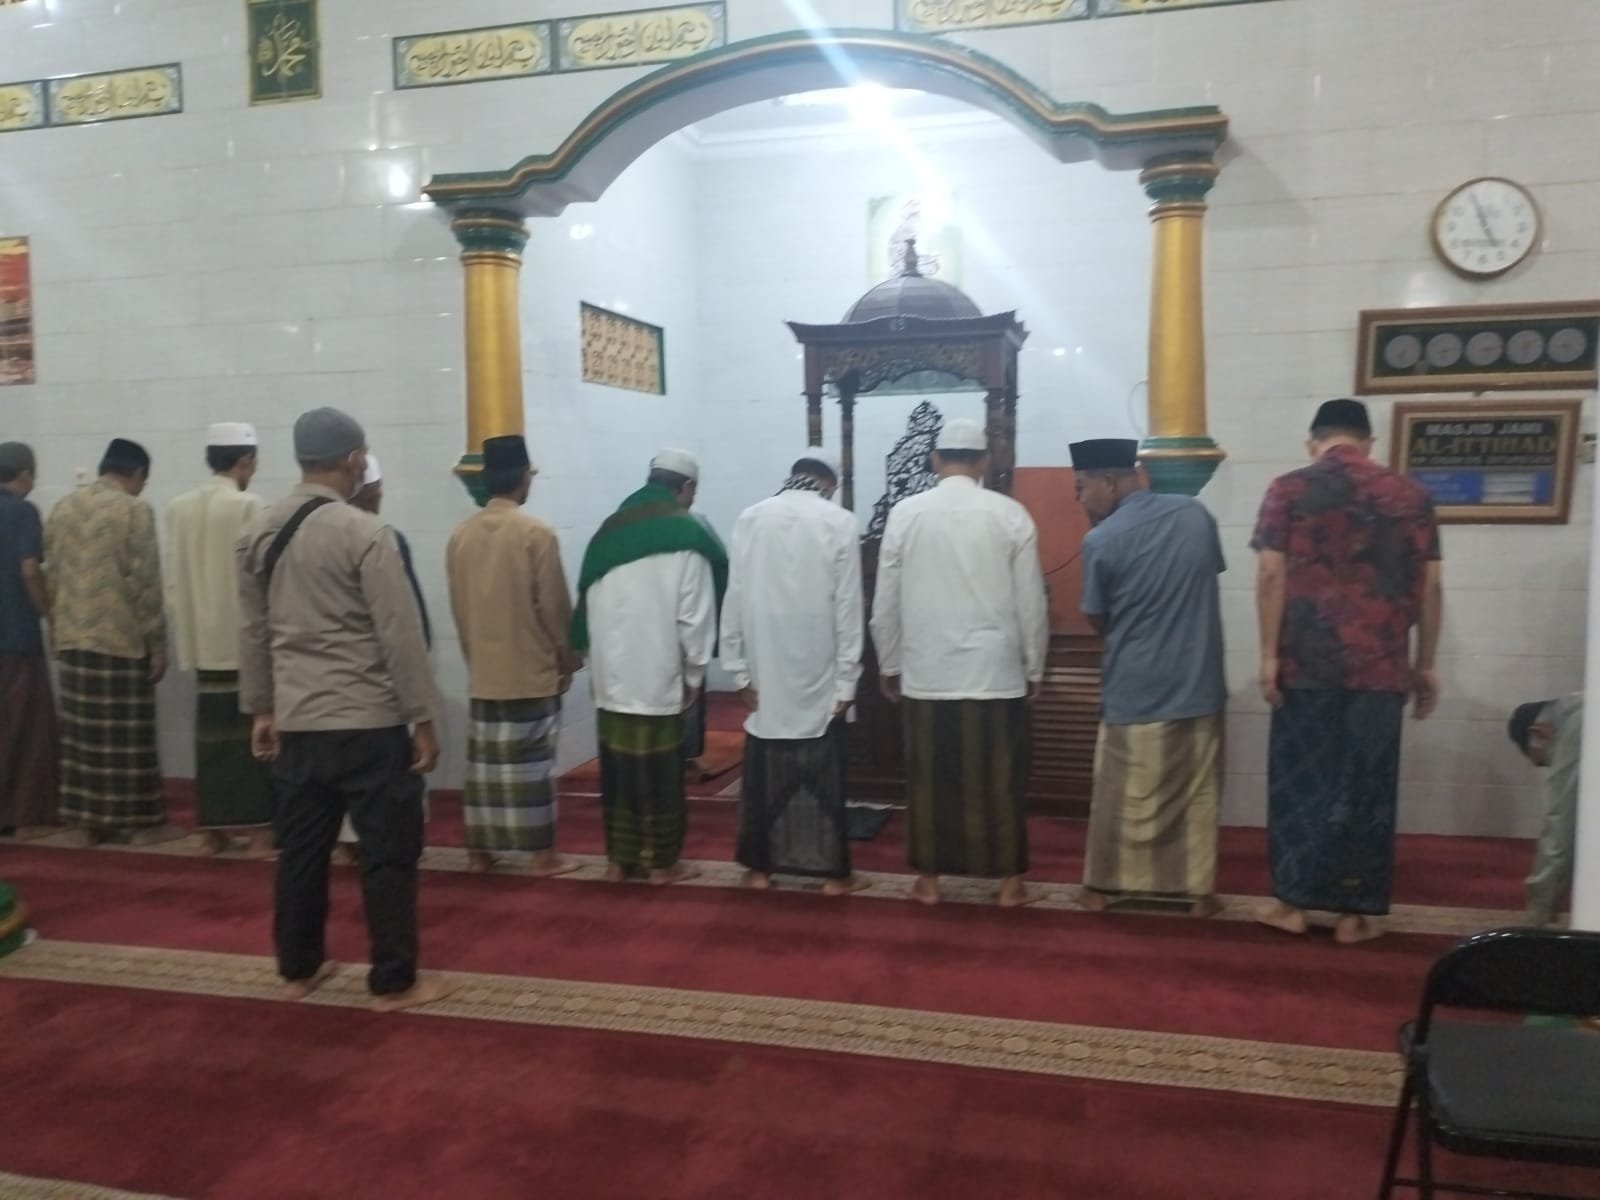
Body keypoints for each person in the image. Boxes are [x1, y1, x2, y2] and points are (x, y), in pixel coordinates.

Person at [237, 407, 446, 1012]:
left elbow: (253, 631)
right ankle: (394, 982)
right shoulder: (365, 533)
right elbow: (399, 634)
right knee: (387, 854)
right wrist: (423, 717)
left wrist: (261, 709)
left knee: (302, 852)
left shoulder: (258, 531)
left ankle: (298, 970)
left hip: (299, 722)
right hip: (368, 723)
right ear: (354, 459)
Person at [1252, 398, 1443, 945]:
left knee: (1301, 786)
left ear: (1313, 442)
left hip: (1306, 665)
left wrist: (1268, 656)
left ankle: (1293, 906)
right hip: (1381, 670)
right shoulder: (1411, 496)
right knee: (1367, 790)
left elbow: (1270, 574)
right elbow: (1431, 586)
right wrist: (1425, 663)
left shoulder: (1288, 489)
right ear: (1370, 443)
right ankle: (1354, 916)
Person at [869, 417, 1049, 907]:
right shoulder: (1010, 515)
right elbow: (1030, 601)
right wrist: (1034, 666)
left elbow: (885, 601)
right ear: (985, 462)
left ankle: (929, 881)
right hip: (995, 671)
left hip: (929, 670)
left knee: (930, 779)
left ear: (934, 460)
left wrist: (889, 663)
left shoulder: (906, 514)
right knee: (1000, 777)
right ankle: (1009, 884)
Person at [1072, 438, 1227, 918]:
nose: (1080, 499)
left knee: (1122, 796)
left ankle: (1102, 887)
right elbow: (1207, 575)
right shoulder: (1196, 515)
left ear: (1109, 481)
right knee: (1195, 795)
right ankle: (1196, 893)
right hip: (1199, 681)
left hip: (1135, 685)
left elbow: (1097, 617)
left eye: (1082, 488)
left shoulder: (1101, 540)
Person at [572, 449, 726, 885]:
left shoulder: (608, 530)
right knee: (660, 776)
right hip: (659, 675)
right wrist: (694, 675)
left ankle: (619, 861)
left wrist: (597, 667)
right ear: (686, 487)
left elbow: (587, 605)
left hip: (611, 678)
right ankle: (662, 864)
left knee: (618, 774)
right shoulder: (687, 534)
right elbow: (694, 618)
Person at [722, 448, 865, 894]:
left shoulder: (751, 518)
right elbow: (848, 607)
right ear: (830, 484)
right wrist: (848, 681)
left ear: (795, 475)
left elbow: (734, 596)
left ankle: (760, 870)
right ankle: (830, 875)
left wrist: (737, 671)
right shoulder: (840, 522)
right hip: (820, 669)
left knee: (767, 772)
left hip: (765, 667)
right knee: (820, 774)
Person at [446, 434, 580, 878]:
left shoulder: (460, 535)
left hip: (485, 671)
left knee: (485, 770)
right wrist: (568, 658)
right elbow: (555, 608)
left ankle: (479, 853)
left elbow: (459, 608)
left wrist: (474, 659)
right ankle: (542, 856)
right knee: (533, 768)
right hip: (531, 670)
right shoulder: (536, 534)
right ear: (524, 478)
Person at [45, 437, 173, 844]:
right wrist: (157, 643)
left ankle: (87, 825)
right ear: (137, 474)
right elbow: (145, 583)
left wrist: (58, 631)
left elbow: (52, 575)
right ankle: (139, 825)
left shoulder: (63, 507)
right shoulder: (134, 510)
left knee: (84, 742)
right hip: (120, 640)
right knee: (126, 742)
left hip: (72, 639)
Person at [165, 423, 273, 857]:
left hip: (202, 644)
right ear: (245, 461)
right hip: (245, 642)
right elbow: (262, 577)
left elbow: (174, 580)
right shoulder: (249, 505)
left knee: (211, 743)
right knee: (254, 743)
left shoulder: (179, 508)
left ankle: (212, 832)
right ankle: (260, 833)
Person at [336, 452, 431, 865]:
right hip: (381, 682)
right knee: (387, 774)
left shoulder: (315, 535)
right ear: (372, 493)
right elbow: (408, 621)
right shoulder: (385, 538)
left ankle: (346, 843)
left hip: (334, 685)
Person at [0, 442, 59, 838]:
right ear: (23, 473)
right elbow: (30, 570)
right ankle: (22, 815)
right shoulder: (21, 512)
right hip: (15, 634)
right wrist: (49, 614)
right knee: (24, 726)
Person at [1509, 696, 1582, 927]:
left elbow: (1561, 824)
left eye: (1548, 761)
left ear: (1540, 732)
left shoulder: (1576, 725)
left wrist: (1539, 916)